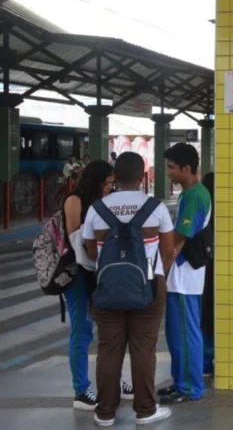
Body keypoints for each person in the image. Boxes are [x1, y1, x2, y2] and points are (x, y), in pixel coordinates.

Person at [83, 152, 174, 427]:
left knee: (109, 349)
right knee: (143, 349)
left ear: (115, 176)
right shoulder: (155, 208)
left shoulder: (96, 209)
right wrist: (158, 277)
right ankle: (145, 410)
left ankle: (105, 413)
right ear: (141, 177)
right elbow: (168, 251)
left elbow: (89, 252)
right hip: (148, 285)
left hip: (107, 287)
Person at [63, 160, 135, 410]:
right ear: (95, 181)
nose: (109, 188)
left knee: (111, 330)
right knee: (82, 332)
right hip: (79, 274)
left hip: (101, 272)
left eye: (112, 184)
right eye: (106, 184)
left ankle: (116, 380)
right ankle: (81, 391)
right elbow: (76, 241)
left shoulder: (102, 204)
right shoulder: (75, 201)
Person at [157, 143, 211, 405]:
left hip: (185, 274)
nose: (168, 172)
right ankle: (180, 381)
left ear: (187, 169)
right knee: (176, 333)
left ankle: (190, 387)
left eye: (171, 168)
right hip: (182, 275)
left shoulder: (194, 196)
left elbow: (181, 235)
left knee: (186, 333)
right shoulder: (189, 194)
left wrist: (163, 262)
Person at [200, 172, 215, 377]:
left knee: (205, 313)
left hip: (204, 268)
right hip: (226, 269)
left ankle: (205, 361)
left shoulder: (203, 210)